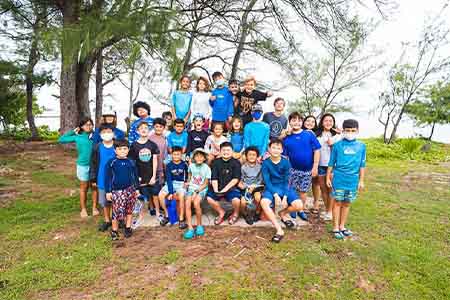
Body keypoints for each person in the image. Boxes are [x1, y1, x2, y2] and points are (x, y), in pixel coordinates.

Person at [327, 119, 366, 240]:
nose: (350, 132)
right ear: (343, 131)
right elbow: (331, 162)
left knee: (347, 203)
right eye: (347, 130)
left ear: (357, 131)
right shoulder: (337, 145)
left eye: (353, 130)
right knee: (337, 202)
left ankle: (342, 226)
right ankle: (335, 228)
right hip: (339, 178)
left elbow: (362, 165)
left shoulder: (361, 146)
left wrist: (361, 180)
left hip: (353, 180)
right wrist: (328, 177)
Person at [260, 139, 305, 243]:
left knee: (299, 205)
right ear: (269, 149)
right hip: (272, 187)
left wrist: (285, 197)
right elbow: (267, 181)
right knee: (264, 202)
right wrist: (275, 195)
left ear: (282, 150)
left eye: (278, 148)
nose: (276, 150)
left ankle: (283, 214)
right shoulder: (266, 163)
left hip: (285, 187)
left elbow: (288, 181)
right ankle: (279, 230)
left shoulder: (286, 162)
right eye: (273, 148)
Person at [283, 112, 320, 221]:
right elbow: (285, 156)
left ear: (302, 122)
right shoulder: (287, 138)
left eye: (299, 120)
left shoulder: (308, 135)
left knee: (303, 191)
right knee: (292, 190)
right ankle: (293, 208)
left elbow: (317, 150)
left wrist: (315, 166)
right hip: (292, 170)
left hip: (307, 170)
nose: (296, 122)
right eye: (293, 120)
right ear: (289, 122)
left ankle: (301, 209)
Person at [58, 117, 97, 218]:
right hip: (83, 165)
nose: (88, 126)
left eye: (90, 124)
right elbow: (61, 139)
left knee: (94, 187)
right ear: (81, 127)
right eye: (85, 125)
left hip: (94, 165)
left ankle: (94, 208)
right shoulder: (78, 136)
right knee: (84, 187)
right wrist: (73, 131)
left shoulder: (95, 136)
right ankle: (83, 209)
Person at [104, 139, 140, 240]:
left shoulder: (131, 162)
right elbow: (107, 178)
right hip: (117, 191)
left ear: (128, 150)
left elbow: (135, 176)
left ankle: (128, 228)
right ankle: (114, 230)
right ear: (115, 150)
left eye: (125, 149)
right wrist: (108, 191)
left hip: (130, 190)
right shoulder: (112, 162)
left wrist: (137, 189)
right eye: (120, 149)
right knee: (116, 211)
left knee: (129, 209)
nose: (123, 151)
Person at [128, 121, 160, 228]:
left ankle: (158, 214)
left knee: (155, 194)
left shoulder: (152, 145)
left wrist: (154, 176)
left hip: (151, 174)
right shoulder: (134, 146)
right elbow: (132, 163)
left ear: (149, 130)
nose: (143, 130)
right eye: (141, 128)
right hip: (140, 176)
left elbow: (155, 161)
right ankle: (141, 216)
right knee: (142, 197)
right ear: (137, 131)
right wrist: (136, 177)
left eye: (146, 128)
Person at [207, 142, 242, 225]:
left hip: (231, 188)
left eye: (228, 150)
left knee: (236, 200)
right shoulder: (215, 162)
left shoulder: (236, 163)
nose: (226, 152)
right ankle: (221, 212)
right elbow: (214, 177)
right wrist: (216, 190)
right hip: (218, 187)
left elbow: (235, 179)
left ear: (232, 151)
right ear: (220, 151)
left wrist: (225, 189)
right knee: (209, 198)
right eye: (224, 150)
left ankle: (235, 214)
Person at [89, 124, 116, 231]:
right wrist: (93, 178)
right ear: (100, 134)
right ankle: (107, 220)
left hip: (116, 178)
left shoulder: (118, 145)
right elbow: (93, 163)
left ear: (113, 133)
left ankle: (117, 219)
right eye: (104, 132)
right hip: (101, 178)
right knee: (105, 201)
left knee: (116, 200)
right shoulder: (97, 147)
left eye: (109, 131)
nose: (107, 134)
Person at [316, 113, 341, 220]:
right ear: (322, 122)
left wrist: (332, 145)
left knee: (331, 189)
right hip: (320, 164)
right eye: (326, 120)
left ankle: (330, 211)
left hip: (332, 166)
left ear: (333, 123)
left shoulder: (337, 135)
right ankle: (327, 210)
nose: (328, 123)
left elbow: (339, 152)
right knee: (323, 189)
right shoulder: (317, 135)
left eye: (330, 121)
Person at [183, 148, 211, 240]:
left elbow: (206, 183)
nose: (199, 158)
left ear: (204, 158)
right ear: (194, 157)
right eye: (197, 156)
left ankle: (199, 225)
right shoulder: (191, 166)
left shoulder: (206, 168)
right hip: (191, 188)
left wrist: (196, 192)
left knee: (196, 203)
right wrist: (187, 184)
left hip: (201, 189)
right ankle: (190, 228)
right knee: (187, 203)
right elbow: (189, 178)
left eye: (201, 156)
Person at [158, 146, 189, 229]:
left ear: (181, 155)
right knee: (160, 195)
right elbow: (168, 179)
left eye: (178, 154)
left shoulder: (184, 164)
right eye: (174, 154)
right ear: (171, 155)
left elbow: (187, 176)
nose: (176, 156)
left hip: (180, 183)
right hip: (170, 183)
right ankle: (167, 215)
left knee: (181, 195)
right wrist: (171, 192)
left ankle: (181, 219)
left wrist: (186, 183)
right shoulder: (168, 165)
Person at [238, 146, 264, 225]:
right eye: (250, 155)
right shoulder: (243, 167)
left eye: (254, 155)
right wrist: (246, 186)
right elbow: (242, 179)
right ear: (246, 156)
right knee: (242, 202)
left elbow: (260, 180)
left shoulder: (259, 167)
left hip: (256, 187)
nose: (252, 157)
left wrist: (254, 186)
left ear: (257, 156)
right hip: (246, 187)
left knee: (258, 198)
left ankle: (257, 212)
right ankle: (246, 214)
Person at [301, 115, 321, 214]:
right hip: (304, 161)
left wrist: (315, 165)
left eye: (312, 122)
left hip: (315, 161)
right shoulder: (300, 132)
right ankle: (302, 204)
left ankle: (316, 202)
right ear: (304, 122)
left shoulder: (316, 134)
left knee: (315, 183)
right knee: (303, 184)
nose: (310, 123)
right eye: (308, 121)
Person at [149, 117, 168, 218]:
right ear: (154, 127)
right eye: (156, 126)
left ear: (163, 128)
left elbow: (165, 155)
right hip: (150, 167)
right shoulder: (150, 138)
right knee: (151, 189)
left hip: (160, 167)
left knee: (159, 187)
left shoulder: (164, 139)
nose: (158, 129)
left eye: (160, 127)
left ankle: (160, 206)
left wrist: (164, 169)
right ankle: (151, 206)